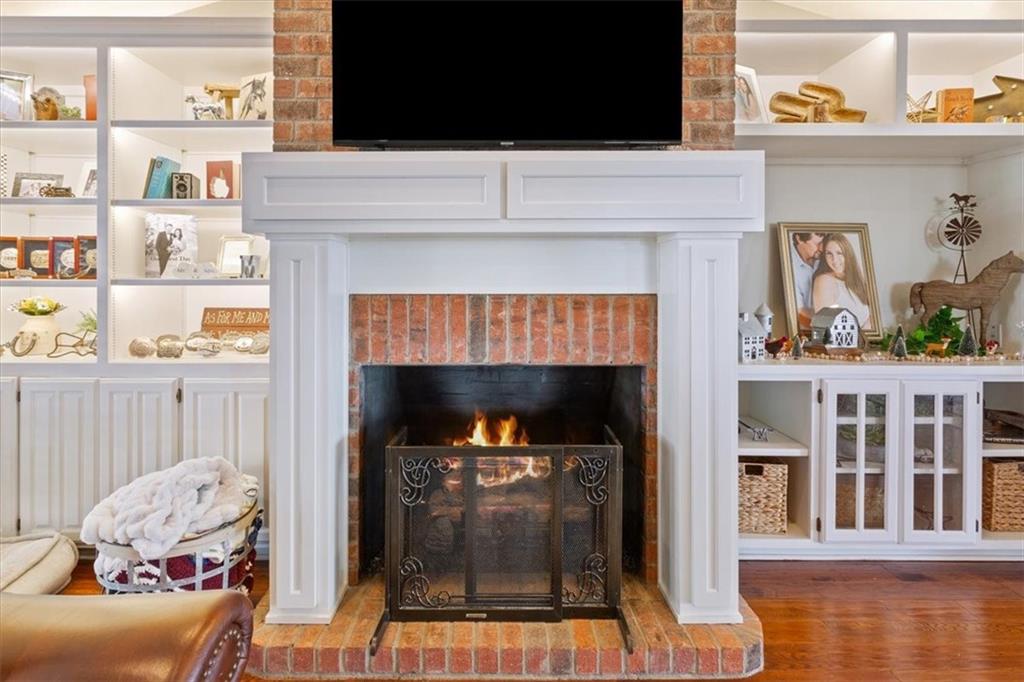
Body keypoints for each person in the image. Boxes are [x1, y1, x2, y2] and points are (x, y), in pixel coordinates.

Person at [812, 233, 872, 330]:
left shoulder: (858, 280)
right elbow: (824, 327)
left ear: (848, 255)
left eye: (839, 253)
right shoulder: (824, 281)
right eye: (829, 253)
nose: (834, 260)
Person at [790, 232, 824, 329]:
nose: (821, 248)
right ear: (799, 239)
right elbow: (798, 313)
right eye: (817, 244)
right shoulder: (789, 267)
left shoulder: (824, 259)